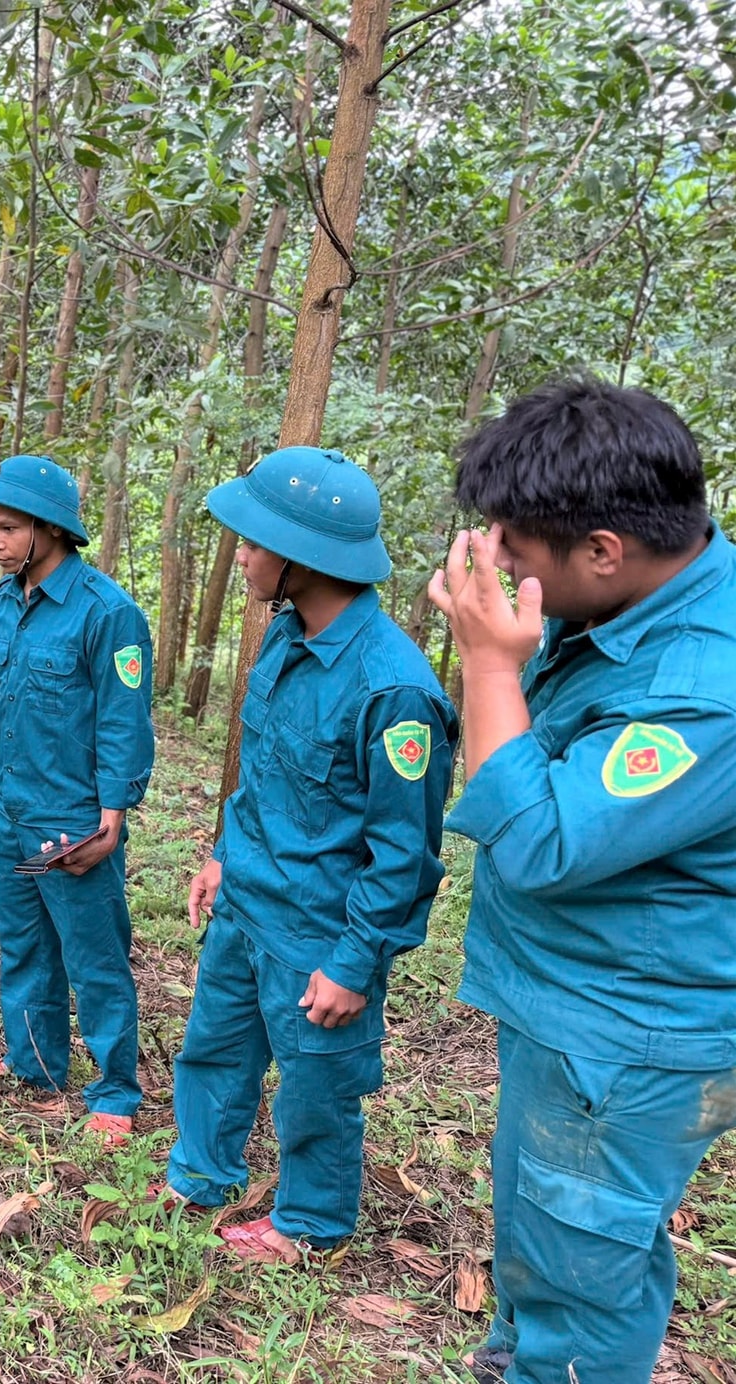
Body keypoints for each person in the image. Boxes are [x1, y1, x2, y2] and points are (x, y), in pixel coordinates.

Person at [426, 379, 736, 1384]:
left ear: (604, 549)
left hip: (627, 1038)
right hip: (576, 1007)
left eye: (517, 546)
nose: (496, 561)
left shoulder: (703, 684)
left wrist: (489, 666)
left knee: (581, 1267)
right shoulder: (634, 598)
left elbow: (541, 843)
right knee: (546, 1238)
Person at [167, 446, 457, 1264]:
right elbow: (262, 772)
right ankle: (199, 1174)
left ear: (307, 557)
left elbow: (405, 853)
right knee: (214, 1049)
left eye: (257, 543)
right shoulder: (286, 636)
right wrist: (224, 853)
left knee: (317, 1091)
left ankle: (309, 1225)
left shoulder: (393, 691)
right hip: (247, 903)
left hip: (320, 935)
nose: (245, 556)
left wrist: (356, 963)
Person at [0, 456, 155, 1147]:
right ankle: (35, 1060)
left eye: (8, 529)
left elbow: (123, 720)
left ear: (49, 528)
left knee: (94, 957)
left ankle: (114, 1090)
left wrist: (113, 816)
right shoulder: (5, 603)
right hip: (17, 815)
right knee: (25, 944)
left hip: (72, 827)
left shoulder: (108, 614)